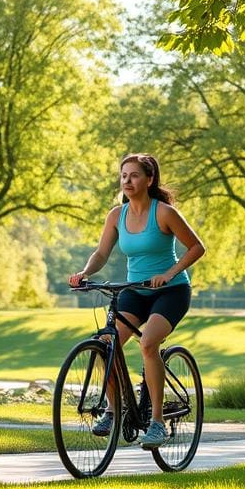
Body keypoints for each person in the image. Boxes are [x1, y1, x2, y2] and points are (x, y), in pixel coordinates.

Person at [68, 153, 205, 449]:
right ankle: (113, 409)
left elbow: (196, 247)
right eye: (123, 176)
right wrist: (85, 272)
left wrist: (169, 273)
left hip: (170, 291)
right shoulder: (116, 215)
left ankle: (156, 423)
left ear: (149, 179)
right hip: (134, 289)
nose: (127, 181)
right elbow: (102, 253)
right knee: (106, 344)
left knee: (148, 343)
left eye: (134, 175)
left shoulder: (164, 213)